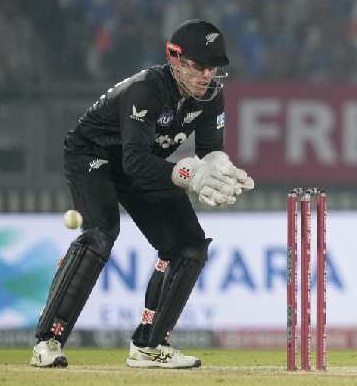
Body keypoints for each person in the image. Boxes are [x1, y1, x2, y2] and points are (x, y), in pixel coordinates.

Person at [30, 19, 255, 369]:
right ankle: (48, 341)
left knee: (190, 246)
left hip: (143, 162)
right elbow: (134, 161)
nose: (206, 76)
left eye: (212, 68)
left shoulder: (211, 96)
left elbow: (210, 150)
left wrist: (220, 167)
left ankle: (149, 345)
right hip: (95, 154)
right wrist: (189, 176)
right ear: (175, 59)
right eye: (198, 67)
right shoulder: (147, 89)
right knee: (101, 234)